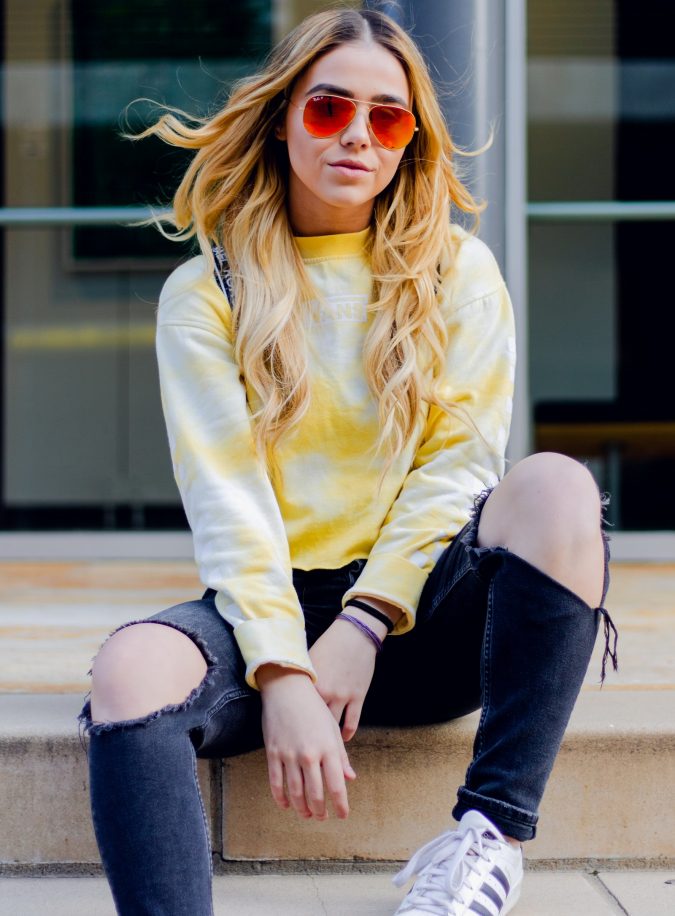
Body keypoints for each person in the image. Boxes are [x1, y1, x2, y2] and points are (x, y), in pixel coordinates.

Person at [77, 7, 618, 915]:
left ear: (409, 140)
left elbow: (454, 470)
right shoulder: (207, 289)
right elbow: (229, 502)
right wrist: (284, 672)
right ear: (283, 114)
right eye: (329, 109)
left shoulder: (456, 271)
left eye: (388, 118)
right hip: (269, 617)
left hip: (423, 623)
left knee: (555, 487)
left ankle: (489, 841)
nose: (358, 136)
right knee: (127, 671)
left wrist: (364, 623)